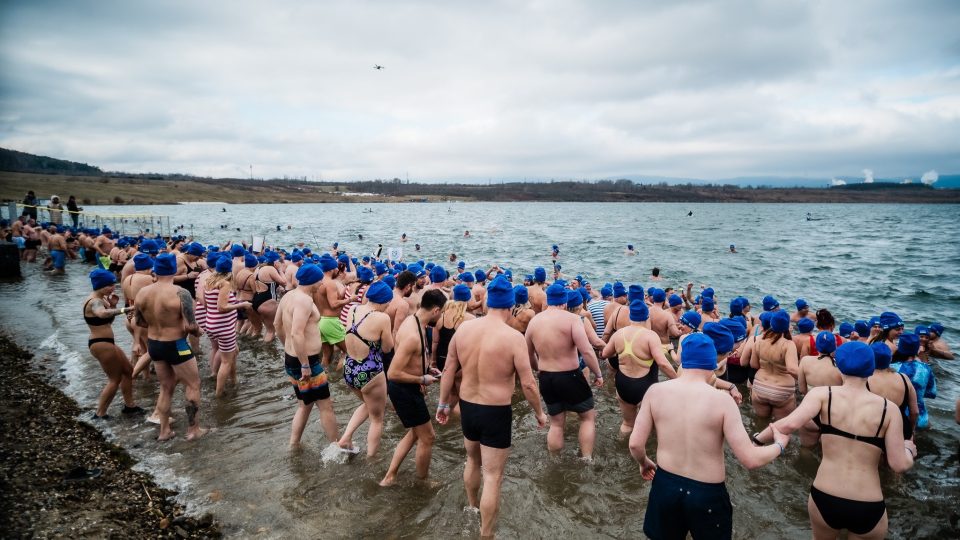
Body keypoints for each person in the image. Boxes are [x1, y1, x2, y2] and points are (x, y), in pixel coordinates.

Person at [629, 333, 789, 540]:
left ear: (683, 360)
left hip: (665, 485)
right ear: (713, 364)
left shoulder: (655, 391)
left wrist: (644, 462)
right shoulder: (722, 401)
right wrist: (779, 445)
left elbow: (635, 444)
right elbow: (750, 459)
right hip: (706, 494)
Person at [754, 341, 915, 539]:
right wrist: (909, 449)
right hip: (867, 502)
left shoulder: (822, 395)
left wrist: (758, 441)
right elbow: (898, 464)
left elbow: (786, 425)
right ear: (872, 369)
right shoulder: (889, 409)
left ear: (838, 365)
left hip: (824, 496)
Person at [435, 275, 547, 538]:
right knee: (493, 476)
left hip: (468, 407)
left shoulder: (464, 329)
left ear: (487, 305)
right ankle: (487, 534)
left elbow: (449, 368)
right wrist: (539, 413)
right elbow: (529, 384)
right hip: (495, 411)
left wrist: (443, 404)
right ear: (509, 308)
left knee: (472, 460)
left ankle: (472, 507)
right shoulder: (512, 337)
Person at [133, 253, 206, 441]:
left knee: (166, 387)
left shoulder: (143, 292)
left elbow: (139, 322)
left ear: (155, 269)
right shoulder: (181, 293)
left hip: (155, 344)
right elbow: (190, 326)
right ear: (174, 269)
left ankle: (164, 431)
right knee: (193, 385)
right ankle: (193, 430)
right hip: (177, 344)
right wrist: (199, 332)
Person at [526, 283, 604, 459]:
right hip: (570, 376)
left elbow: (528, 354)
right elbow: (587, 351)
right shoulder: (572, 320)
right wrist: (598, 374)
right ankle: (586, 459)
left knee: (556, 424)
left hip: (546, 378)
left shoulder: (534, 321)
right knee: (587, 418)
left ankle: (555, 461)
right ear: (564, 301)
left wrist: (539, 369)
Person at [380, 289, 448, 487]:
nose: (442, 316)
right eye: (442, 312)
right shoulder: (412, 335)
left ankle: (390, 476)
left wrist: (428, 369)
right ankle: (422, 482)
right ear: (435, 310)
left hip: (408, 385)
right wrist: (421, 378)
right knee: (428, 437)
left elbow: (413, 358)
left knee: (415, 433)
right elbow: (392, 373)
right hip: (403, 389)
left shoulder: (415, 320)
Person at [274, 263, 340, 446]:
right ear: (312, 281)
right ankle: (339, 446)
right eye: (320, 279)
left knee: (305, 404)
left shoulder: (288, 296)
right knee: (326, 406)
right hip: (307, 362)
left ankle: (293, 444)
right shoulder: (304, 300)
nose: (322, 283)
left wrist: (289, 349)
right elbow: (296, 332)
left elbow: (277, 325)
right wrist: (304, 363)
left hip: (292, 358)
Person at [602, 299, 678, 435]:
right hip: (645, 386)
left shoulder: (619, 334)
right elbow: (662, 363)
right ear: (647, 317)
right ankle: (646, 450)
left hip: (623, 384)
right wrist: (678, 380)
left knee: (627, 424)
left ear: (630, 316)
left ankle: (622, 447)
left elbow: (605, 354)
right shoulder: (650, 336)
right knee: (651, 426)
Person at [338, 281, 395, 457]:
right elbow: (387, 348)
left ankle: (346, 438)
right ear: (383, 300)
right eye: (388, 303)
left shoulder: (353, 309)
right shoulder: (382, 318)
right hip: (370, 371)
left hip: (350, 368)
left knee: (368, 405)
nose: (388, 306)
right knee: (377, 419)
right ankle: (372, 459)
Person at [83, 269, 143, 419]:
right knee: (114, 379)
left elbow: (107, 320)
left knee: (129, 371)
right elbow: (101, 314)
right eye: (109, 285)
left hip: (106, 342)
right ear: (100, 285)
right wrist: (125, 309)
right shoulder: (94, 301)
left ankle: (130, 406)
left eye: (113, 284)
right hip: (101, 344)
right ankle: (100, 413)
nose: (113, 287)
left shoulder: (102, 300)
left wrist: (112, 305)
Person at [203, 256, 250, 397]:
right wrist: (242, 304)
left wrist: (235, 300)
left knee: (234, 352)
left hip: (210, 324)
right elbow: (222, 307)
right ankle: (219, 393)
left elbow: (209, 303)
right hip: (223, 327)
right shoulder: (225, 284)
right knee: (226, 362)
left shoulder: (209, 281)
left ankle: (234, 380)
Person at [749, 311, 799, 420]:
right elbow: (792, 369)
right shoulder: (788, 344)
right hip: (782, 390)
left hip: (760, 387)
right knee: (780, 428)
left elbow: (753, 364)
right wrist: (806, 379)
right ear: (787, 326)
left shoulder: (759, 341)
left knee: (760, 423)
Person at [315, 254, 359, 370]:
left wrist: (343, 293)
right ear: (330, 269)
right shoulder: (330, 284)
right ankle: (338, 377)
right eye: (335, 268)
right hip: (331, 321)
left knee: (327, 356)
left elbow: (326, 300)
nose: (337, 271)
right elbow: (333, 304)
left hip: (321, 321)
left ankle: (323, 377)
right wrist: (350, 299)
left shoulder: (317, 282)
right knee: (348, 352)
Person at [867, 342, 919, 441]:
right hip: (900, 429)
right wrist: (911, 430)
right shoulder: (904, 378)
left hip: (875, 429)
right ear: (890, 359)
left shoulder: (865, 380)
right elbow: (915, 412)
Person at [891, 333, 937, 430]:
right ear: (917, 349)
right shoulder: (925, 368)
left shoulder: (891, 368)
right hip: (921, 418)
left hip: (897, 418)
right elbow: (932, 393)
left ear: (899, 348)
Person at [432, 284, 475, 373]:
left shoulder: (440, 316)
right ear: (468, 298)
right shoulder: (471, 319)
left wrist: (433, 361)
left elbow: (435, 342)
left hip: (442, 360)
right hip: (459, 362)